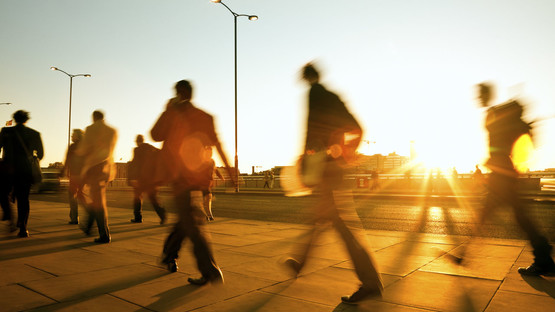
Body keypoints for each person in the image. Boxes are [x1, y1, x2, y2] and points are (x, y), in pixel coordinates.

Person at [285, 64, 383, 304]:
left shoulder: (315, 94)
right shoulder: (333, 97)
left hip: (325, 167)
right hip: (331, 166)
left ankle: (370, 282)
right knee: (322, 218)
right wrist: (346, 153)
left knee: (339, 223)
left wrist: (308, 158)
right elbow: (357, 128)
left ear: (308, 77)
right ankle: (300, 264)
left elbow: (311, 132)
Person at [152, 80, 234, 285]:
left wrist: (167, 110)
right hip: (198, 177)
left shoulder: (173, 114)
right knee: (186, 219)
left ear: (178, 94)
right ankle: (169, 255)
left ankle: (209, 270)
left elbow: (155, 134)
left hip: (179, 176)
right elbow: (218, 144)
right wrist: (230, 169)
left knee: (190, 222)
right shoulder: (206, 117)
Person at [473, 82, 554, 275]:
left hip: (500, 175)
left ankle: (464, 255)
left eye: (480, 94)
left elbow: (499, 144)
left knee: (488, 214)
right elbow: (514, 140)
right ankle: (543, 257)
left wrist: (493, 159)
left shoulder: (494, 115)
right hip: (505, 173)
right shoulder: (502, 115)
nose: (478, 98)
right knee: (520, 216)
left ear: (486, 95)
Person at [0, 110, 44, 237]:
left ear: (14, 119)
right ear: (26, 119)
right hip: (25, 171)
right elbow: (40, 154)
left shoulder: (6, 131)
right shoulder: (34, 134)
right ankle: (23, 227)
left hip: (7, 169)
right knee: (23, 199)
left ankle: (9, 215)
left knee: (2, 193)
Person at [76, 110, 117, 244]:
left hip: (94, 168)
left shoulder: (90, 129)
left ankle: (104, 235)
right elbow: (110, 150)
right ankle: (88, 227)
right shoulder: (112, 130)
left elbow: (84, 149)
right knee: (97, 199)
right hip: (107, 169)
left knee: (98, 202)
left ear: (94, 118)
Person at [128, 135, 166, 224]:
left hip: (140, 179)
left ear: (137, 142)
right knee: (153, 198)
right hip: (152, 179)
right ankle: (162, 214)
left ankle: (138, 217)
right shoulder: (152, 148)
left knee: (137, 198)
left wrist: (133, 178)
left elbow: (135, 165)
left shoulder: (137, 150)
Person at [60, 129, 85, 225]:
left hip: (75, 175)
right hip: (84, 175)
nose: (71, 137)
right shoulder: (85, 146)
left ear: (78, 136)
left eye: (73, 135)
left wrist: (63, 171)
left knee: (72, 195)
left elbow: (67, 160)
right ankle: (92, 212)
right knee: (82, 195)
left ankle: (74, 218)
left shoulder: (72, 146)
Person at [200, 150, 224, 222]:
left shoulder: (212, 161)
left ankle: (208, 215)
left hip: (209, 183)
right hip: (201, 183)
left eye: (211, 153)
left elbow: (215, 170)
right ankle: (208, 215)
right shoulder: (202, 161)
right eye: (208, 153)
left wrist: (221, 176)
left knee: (207, 199)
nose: (210, 154)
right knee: (207, 198)